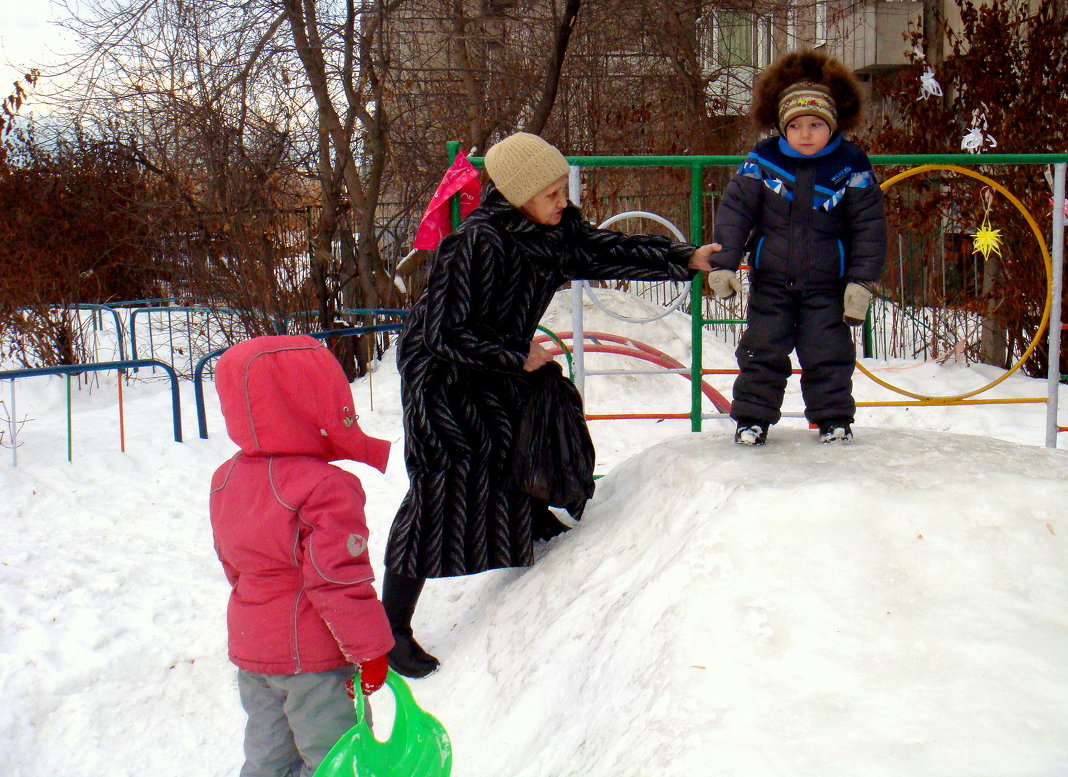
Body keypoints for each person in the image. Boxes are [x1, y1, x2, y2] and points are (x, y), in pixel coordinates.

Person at [384, 131, 721, 677]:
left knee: (533, 418)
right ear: (517, 195)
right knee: (442, 482)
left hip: (502, 359)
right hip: (444, 372)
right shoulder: (475, 242)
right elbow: (444, 332)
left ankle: (535, 515)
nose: (562, 202)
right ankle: (391, 627)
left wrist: (683, 258)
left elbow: (604, 250)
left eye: (562, 189)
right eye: (550, 194)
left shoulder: (554, 229)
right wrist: (514, 352)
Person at [209, 335, 395, 777]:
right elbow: (336, 579)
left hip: (254, 650)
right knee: (337, 759)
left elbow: (232, 564)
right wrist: (369, 649)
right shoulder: (325, 487)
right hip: (317, 661)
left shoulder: (226, 477)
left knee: (269, 757)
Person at [706, 49, 887, 446]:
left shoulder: (850, 164)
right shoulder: (764, 160)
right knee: (761, 352)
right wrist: (724, 262)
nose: (806, 134)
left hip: (828, 286)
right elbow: (736, 211)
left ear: (833, 125)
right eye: (797, 125)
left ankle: (834, 420)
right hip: (772, 281)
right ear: (782, 126)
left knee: (828, 356)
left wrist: (861, 281)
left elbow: (869, 226)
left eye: (816, 124)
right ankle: (752, 419)